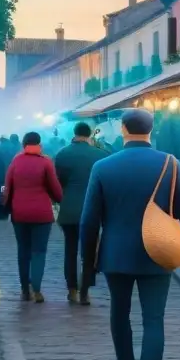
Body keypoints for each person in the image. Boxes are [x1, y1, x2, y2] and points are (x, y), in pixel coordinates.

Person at [80, 108, 180, 360]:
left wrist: (88, 262)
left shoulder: (103, 166)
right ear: (151, 129)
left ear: (122, 129)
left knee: (119, 313)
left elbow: (89, 220)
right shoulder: (170, 164)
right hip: (157, 251)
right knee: (154, 320)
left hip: (115, 253)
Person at [2, 132, 62, 303]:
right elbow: (55, 188)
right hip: (42, 214)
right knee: (39, 251)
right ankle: (36, 288)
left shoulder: (15, 162)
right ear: (39, 144)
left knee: (23, 250)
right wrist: (59, 199)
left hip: (19, 213)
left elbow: (7, 188)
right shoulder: (46, 162)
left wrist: (6, 207)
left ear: (23, 144)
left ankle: (24, 289)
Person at [54, 122, 108, 304]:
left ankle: (72, 289)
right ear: (90, 134)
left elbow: (58, 182)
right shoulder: (100, 155)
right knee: (89, 252)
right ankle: (85, 290)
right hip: (92, 210)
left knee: (70, 250)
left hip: (69, 209)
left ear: (74, 133)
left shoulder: (62, 154)